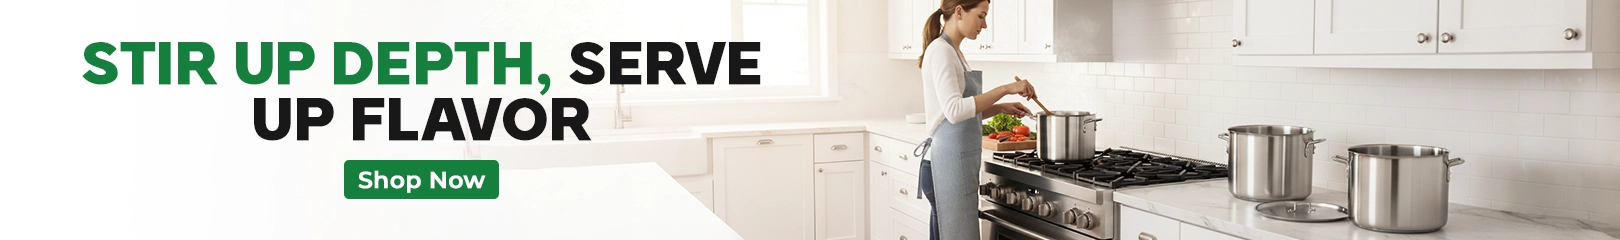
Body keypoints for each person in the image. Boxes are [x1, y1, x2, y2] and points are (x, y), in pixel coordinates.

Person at [912, 0, 1036, 239]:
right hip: (944, 165)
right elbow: (955, 111)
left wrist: (1000, 108)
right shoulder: (941, 51)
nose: (985, 24)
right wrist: (1005, 88)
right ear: (959, 11)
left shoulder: (954, 51)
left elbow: (961, 112)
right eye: (981, 16)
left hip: (955, 163)